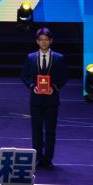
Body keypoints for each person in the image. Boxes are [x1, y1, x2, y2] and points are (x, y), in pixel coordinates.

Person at [21, 27, 66, 168]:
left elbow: (64, 77)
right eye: (41, 40)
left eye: (46, 39)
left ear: (51, 41)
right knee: (36, 130)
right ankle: (37, 157)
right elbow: (25, 76)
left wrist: (54, 87)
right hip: (36, 100)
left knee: (50, 131)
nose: (44, 42)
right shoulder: (30, 57)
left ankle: (48, 159)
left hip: (52, 100)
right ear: (37, 41)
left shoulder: (58, 58)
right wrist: (32, 86)